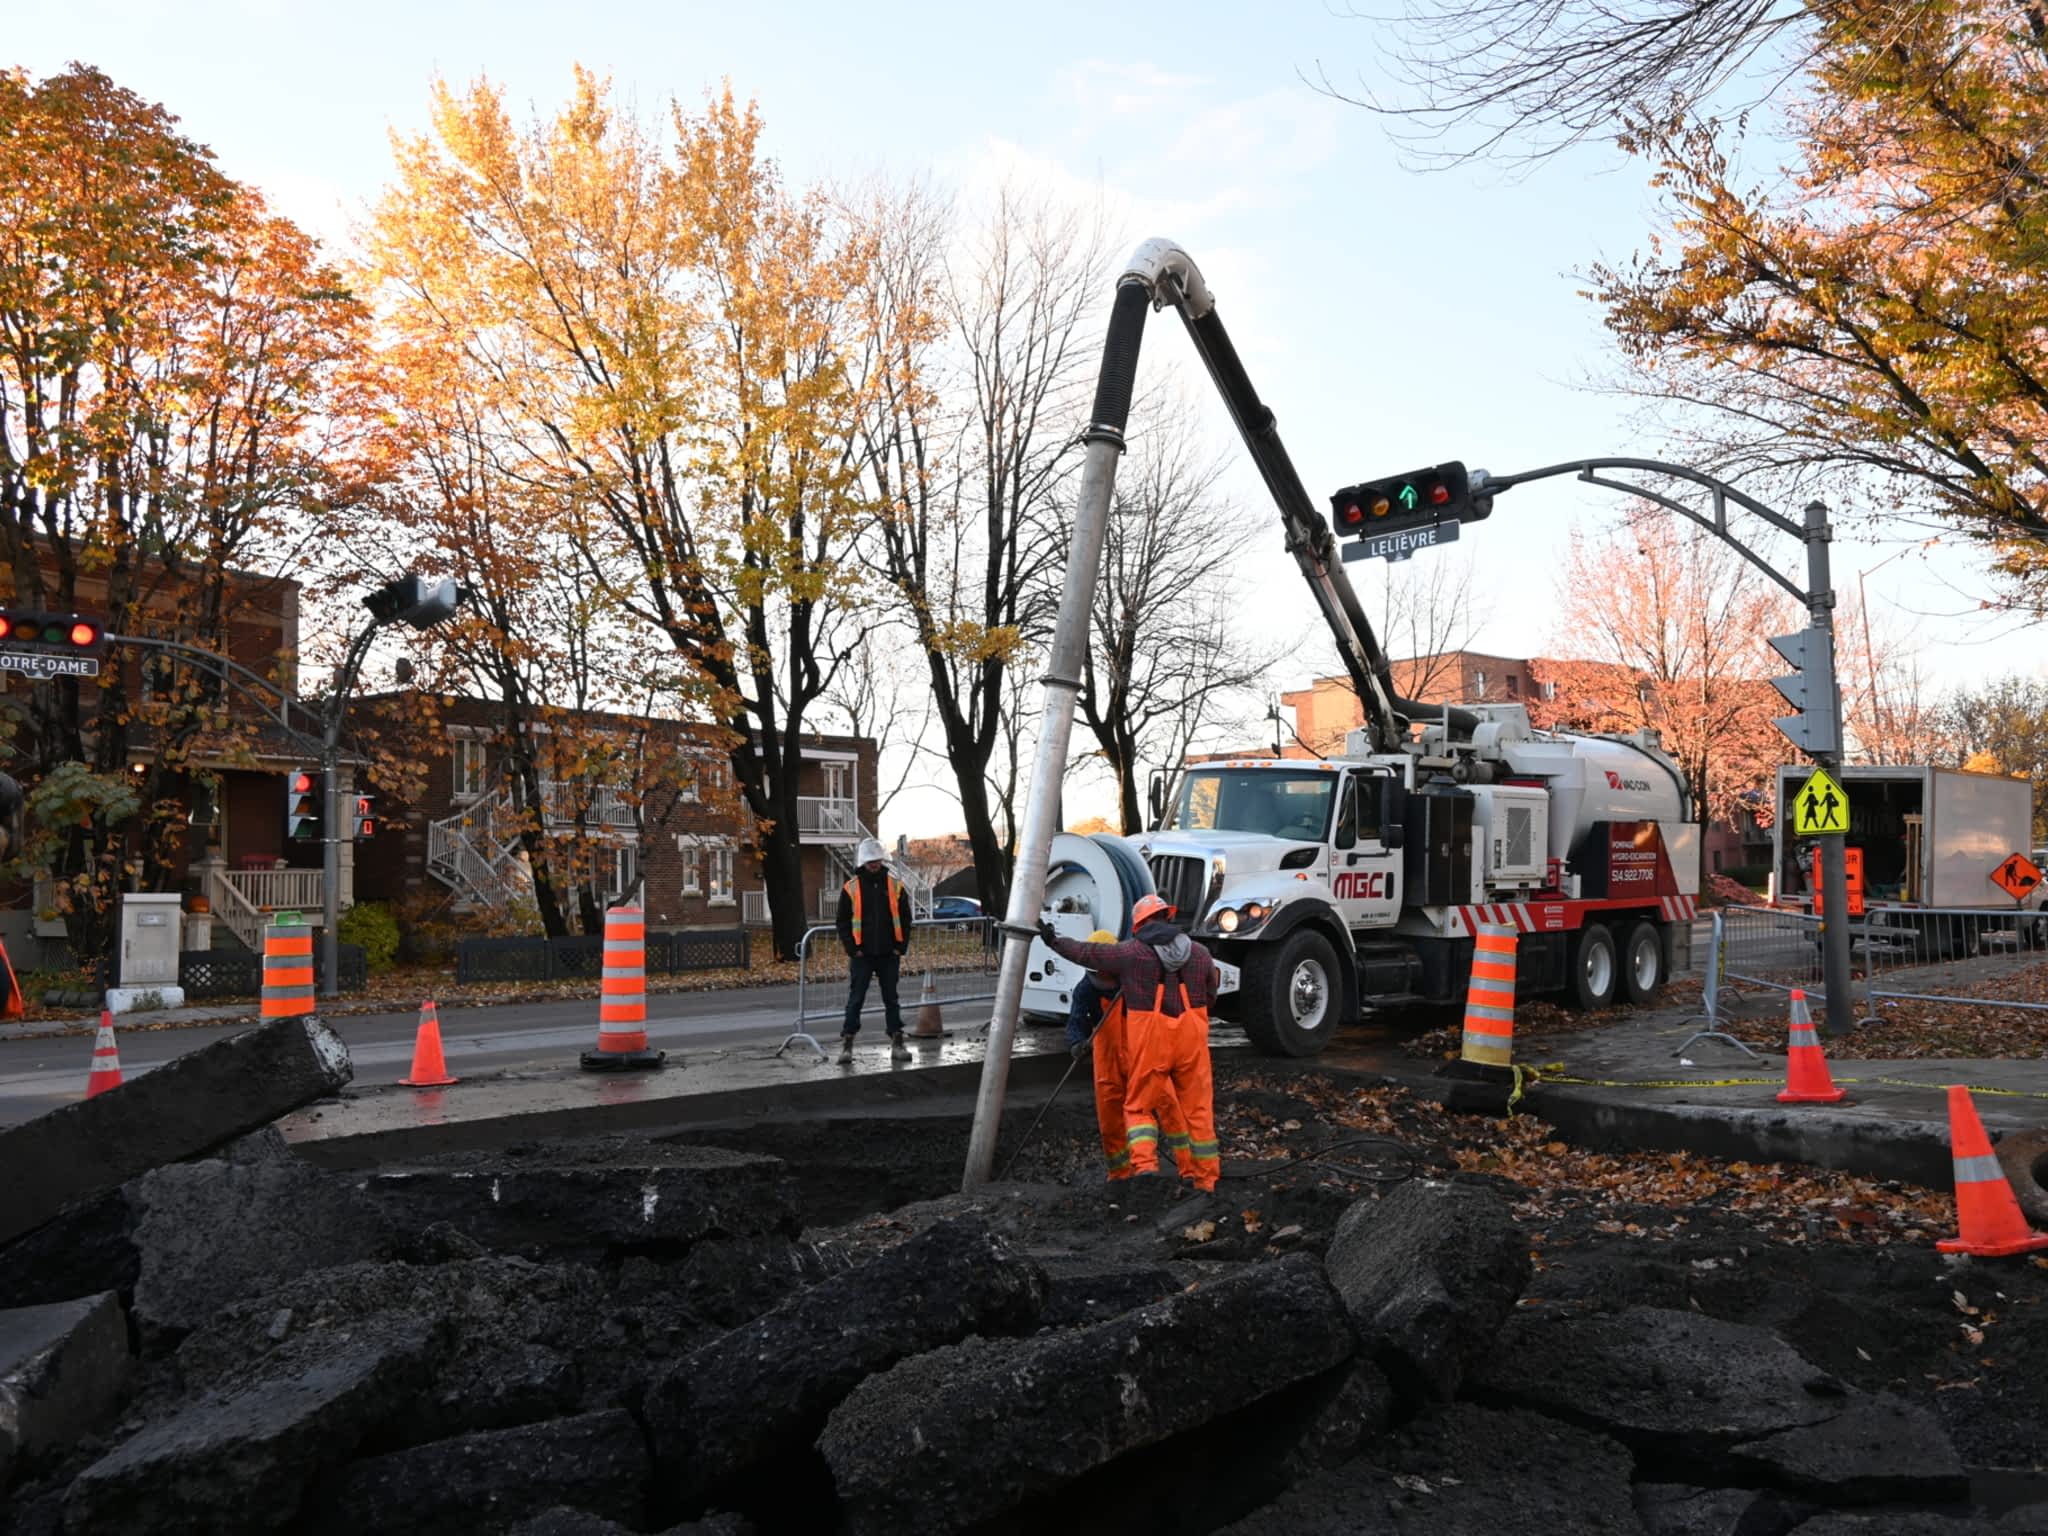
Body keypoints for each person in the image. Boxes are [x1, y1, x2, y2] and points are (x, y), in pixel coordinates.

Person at [1039, 894, 1221, 1191]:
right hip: (1192, 1042)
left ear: (1140, 925)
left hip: (1152, 1042)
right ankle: (1204, 1180)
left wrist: (1053, 941)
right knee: (1198, 1111)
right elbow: (1211, 994)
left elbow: (1088, 953)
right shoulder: (1200, 954)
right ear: (1167, 917)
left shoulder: (1132, 954)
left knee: (1138, 1107)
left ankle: (1145, 1169)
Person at [836, 838, 912, 1064]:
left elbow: (906, 919)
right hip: (863, 954)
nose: (874, 865)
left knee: (892, 999)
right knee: (856, 999)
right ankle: (847, 1044)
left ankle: (897, 1042)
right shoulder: (851, 888)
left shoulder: (895, 886)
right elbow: (842, 921)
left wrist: (901, 946)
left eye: (877, 861)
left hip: (889, 953)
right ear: (863, 862)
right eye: (870, 862)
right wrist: (853, 948)